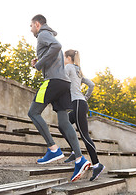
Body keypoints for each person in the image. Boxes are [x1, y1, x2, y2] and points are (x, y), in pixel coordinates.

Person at [28, 14, 90, 182]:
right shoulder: (47, 35)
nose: (31, 29)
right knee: (63, 122)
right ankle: (80, 159)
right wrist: (40, 60)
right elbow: (54, 51)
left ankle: (53, 149)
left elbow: (57, 46)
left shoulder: (43, 34)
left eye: (31, 26)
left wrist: (39, 65)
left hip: (53, 81)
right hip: (63, 84)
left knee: (33, 113)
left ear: (37, 24)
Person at [61, 49, 105, 181]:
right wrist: (85, 97)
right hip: (80, 103)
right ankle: (75, 151)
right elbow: (91, 85)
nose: (63, 59)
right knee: (63, 124)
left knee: (84, 135)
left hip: (78, 104)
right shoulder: (78, 70)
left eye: (64, 57)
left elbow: (60, 79)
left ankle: (97, 164)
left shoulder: (68, 67)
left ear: (68, 58)